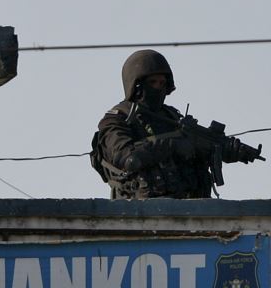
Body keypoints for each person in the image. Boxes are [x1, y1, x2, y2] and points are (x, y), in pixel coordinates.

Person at [91, 49, 253, 199]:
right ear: (136, 86)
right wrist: (173, 146)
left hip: (190, 207)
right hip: (141, 209)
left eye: (162, 83)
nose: (158, 88)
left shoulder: (172, 116)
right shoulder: (117, 119)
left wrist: (226, 151)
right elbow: (129, 159)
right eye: (153, 82)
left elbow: (196, 148)